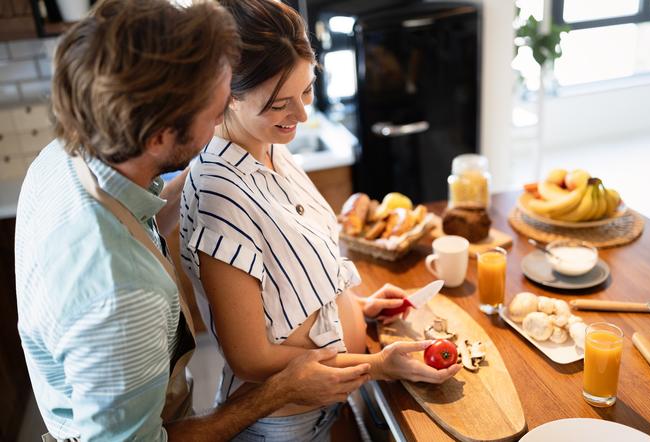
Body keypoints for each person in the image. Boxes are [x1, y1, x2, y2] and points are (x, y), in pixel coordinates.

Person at [15, 1, 372, 441]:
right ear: (160, 137)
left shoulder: (64, 157)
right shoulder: (123, 295)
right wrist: (277, 392)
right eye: (217, 108)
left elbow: (140, 210)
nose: (227, 115)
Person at [179, 0, 461, 440]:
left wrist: (358, 308)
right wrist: (377, 366)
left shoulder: (270, 147)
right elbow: (249, 358)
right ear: (226, 94)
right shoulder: (221, 193)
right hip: (286, 423)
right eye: (279, 104)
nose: (302, 114)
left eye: (306, 90)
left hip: (327, 403)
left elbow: (289, 291)